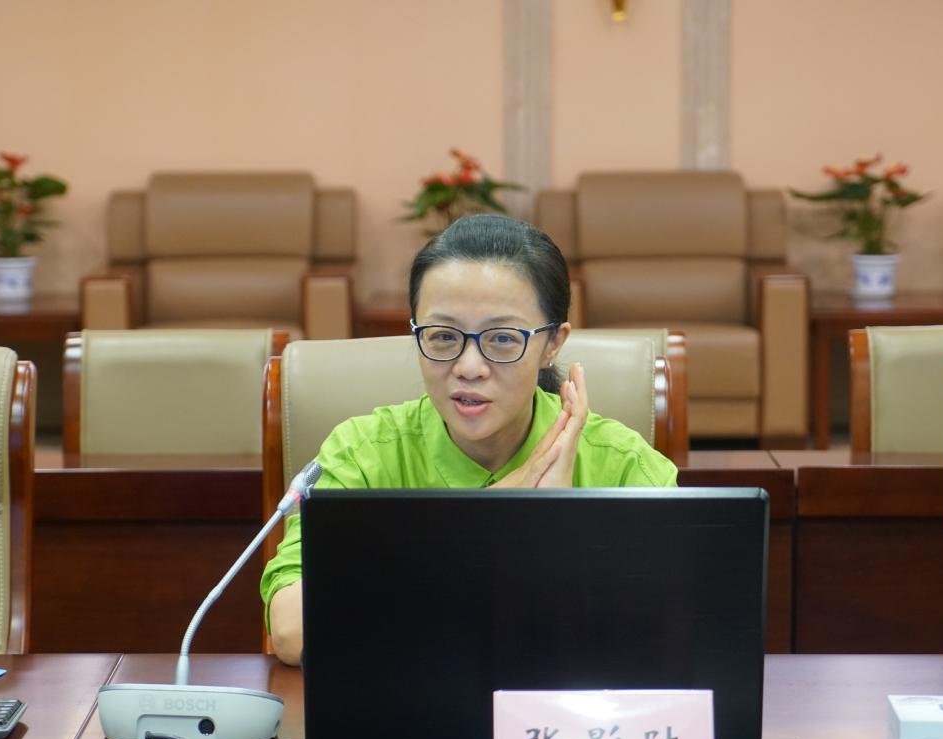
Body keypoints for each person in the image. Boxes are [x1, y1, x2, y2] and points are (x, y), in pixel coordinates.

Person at [262, 214, 678, 665]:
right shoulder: (363, 455)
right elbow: (292, 631)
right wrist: (493, 515)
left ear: (553, 344)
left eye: (502, 339)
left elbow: (667, 630)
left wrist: (552, 528)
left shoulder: (622, 464)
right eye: (443, 336)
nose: (469, 367)